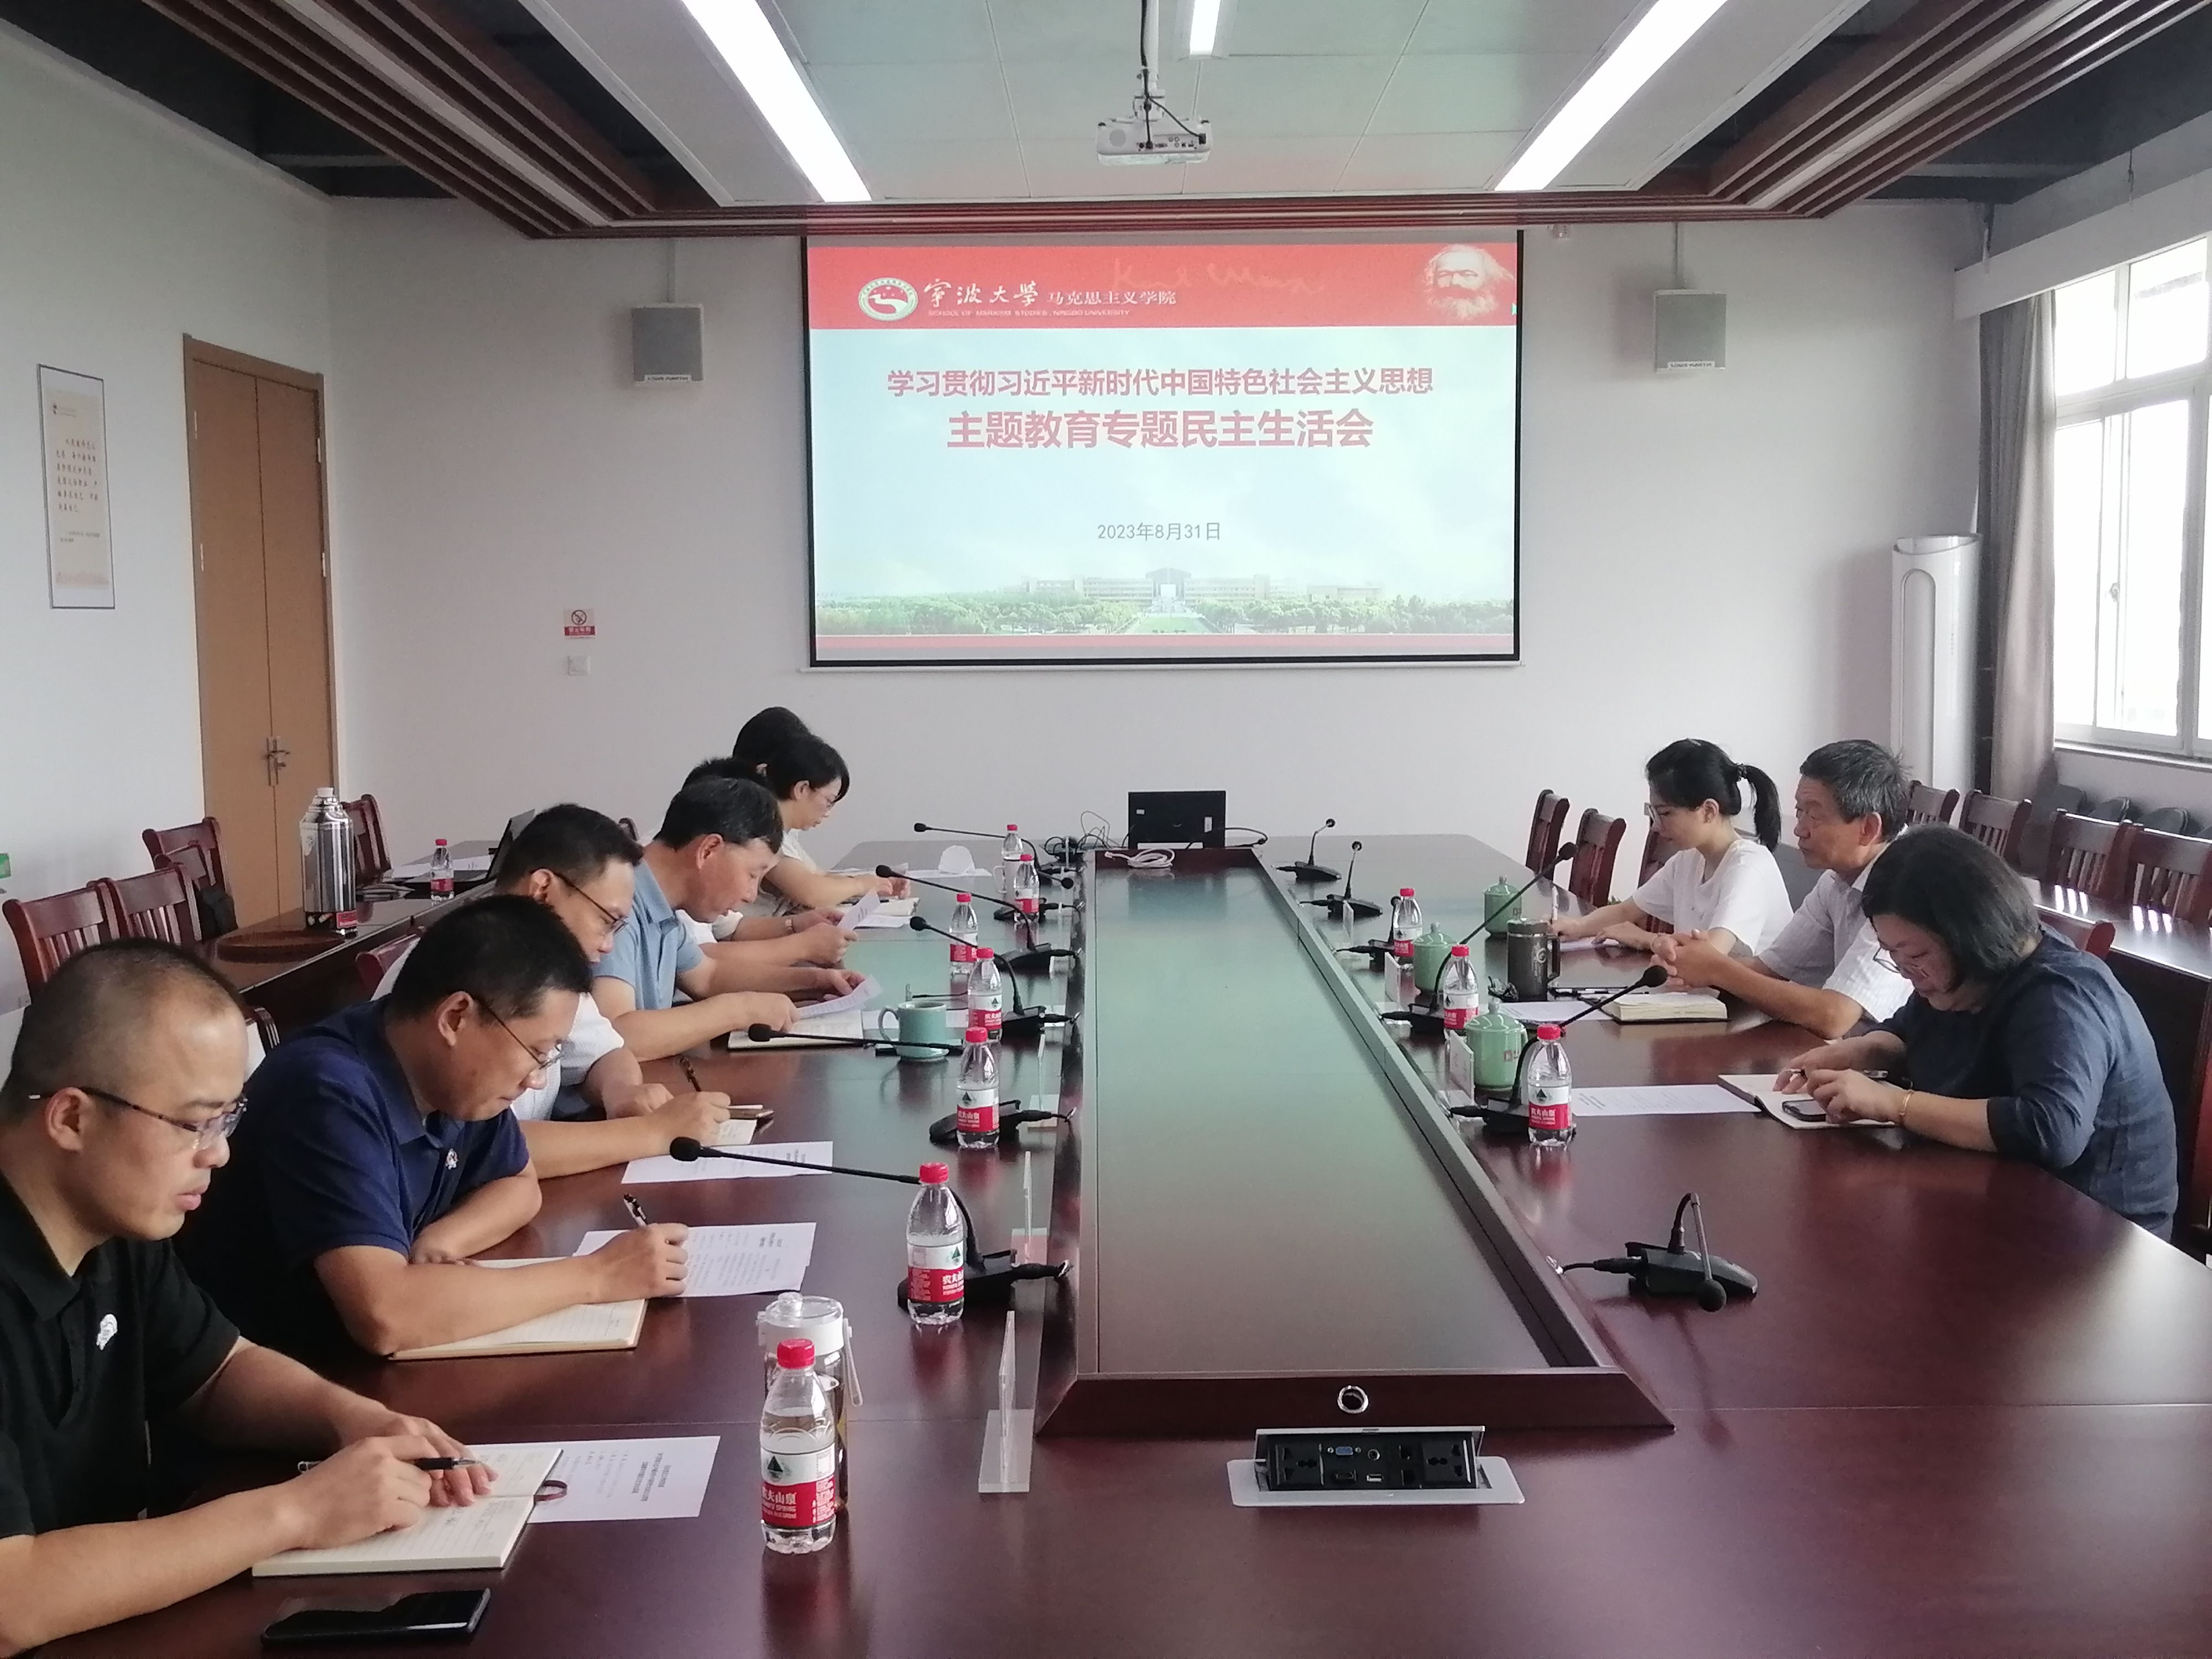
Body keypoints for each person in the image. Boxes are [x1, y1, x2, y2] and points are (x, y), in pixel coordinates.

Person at [0, 941, 492, 1651]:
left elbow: (216, 1371)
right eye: (195, 1123)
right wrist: (299, 1511)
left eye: (227, 1118)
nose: (219, 1153)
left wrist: (352, 1419)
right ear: (72, 1118)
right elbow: (12, 1599)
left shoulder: (112, 1220)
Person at [181, 899, 690, 1361]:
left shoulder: (451, 1079)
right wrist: (596, 1276)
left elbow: (518, 1182)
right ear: (456, 1017)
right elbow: (385, 1316)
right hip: (272, 1385)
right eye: (536, 1052)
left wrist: (440, 1242)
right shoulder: (327, 1092)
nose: (536, 1078)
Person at [1781, 826, 2178, 1238]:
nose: (1905, 970)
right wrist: (1862, 1051)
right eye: (1892, 952)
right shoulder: (1962, 980)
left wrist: (1894, 1104)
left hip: (2095, 1234)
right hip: (2001, 1199)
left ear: (1969, 935)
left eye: (1915, 954)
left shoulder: (2059, 996)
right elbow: (1908, 1029)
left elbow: (2051, 1128)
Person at [372, 804, 734, 1178]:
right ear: (543, 890)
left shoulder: (546, 970)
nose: (608, 945)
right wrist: (652, 1133)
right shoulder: (468, 965)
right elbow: (488, 1150)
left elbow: (607, 1051)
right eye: (606, 920)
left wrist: (621, 1093)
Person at [1655, 739, 1913, 1038]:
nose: (1799, 829)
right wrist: (1689, 961)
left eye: (1814, 816)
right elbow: (1770, 968)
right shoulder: (1836, 879)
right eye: (1799, 811)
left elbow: (1834, 1016)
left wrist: (1717, 969)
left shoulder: (1905, 885)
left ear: (1868, 828)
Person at [594, 777, 858, 1062]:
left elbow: (709, 976)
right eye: (752, 875)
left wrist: (816, 982)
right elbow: (617, 1035)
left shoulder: (664, 907)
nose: (750, 895)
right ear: (709, 850)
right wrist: (739, 1010)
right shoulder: (617, 902)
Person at [1552, 739, 1790, 955]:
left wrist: (1650, 940)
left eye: (1665, 813)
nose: (1656, 826)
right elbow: (1627, 911)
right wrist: (1577, 927)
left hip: (1740, 991)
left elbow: (1710, 956)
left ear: (1708, 811)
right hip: (1704, 987)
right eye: (1654, 813)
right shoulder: (1690, 860)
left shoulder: (1748, 867)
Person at [728, 707, 907, 916]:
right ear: (801, 788)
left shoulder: (781, 828)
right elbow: (812, 892)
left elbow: (818, 877)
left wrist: (875, 883)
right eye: (829, 802)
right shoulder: (758, 830)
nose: (828, 813)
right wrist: (861, 884)